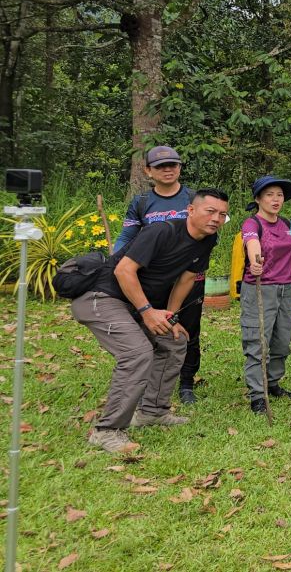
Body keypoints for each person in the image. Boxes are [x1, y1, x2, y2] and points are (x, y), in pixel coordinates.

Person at [72, 189, 229, 453]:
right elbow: (124, 270)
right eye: (210, 211)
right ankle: (107, 430)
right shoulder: (161, 231)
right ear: (191, 210)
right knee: (137, 353)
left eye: (222, 214)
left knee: (174, 340)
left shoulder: (207, 241)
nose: (216, 218)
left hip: (135, 304)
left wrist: (170, 316)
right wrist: (147, 311)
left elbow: (187, 279)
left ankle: (152, 412)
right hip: (102, 298)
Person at [113, 145, 207, 405]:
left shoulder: (194, 198)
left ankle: (187, 382)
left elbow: (208, 233)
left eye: (173, 165)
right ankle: (149, 381)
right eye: (160, 166)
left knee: (188, 330)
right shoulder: (142, 202)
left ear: (179, 167)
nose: (168, 170)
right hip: (153, 280)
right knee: (150, 329)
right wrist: (115, 262)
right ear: (148, 171)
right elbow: (127, 237)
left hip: (188, 278)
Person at [240, 175, 291, 415]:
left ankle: (273, 382)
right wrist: (256, 262)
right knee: (257, 341)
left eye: (279, 195)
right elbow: (252, 243)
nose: (276, 200)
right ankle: (257, 393)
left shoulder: (286, 223)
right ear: (258, 199)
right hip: (259, 288)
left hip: (287, 288)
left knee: (282, 341)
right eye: (269, 195)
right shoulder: (252, 224)